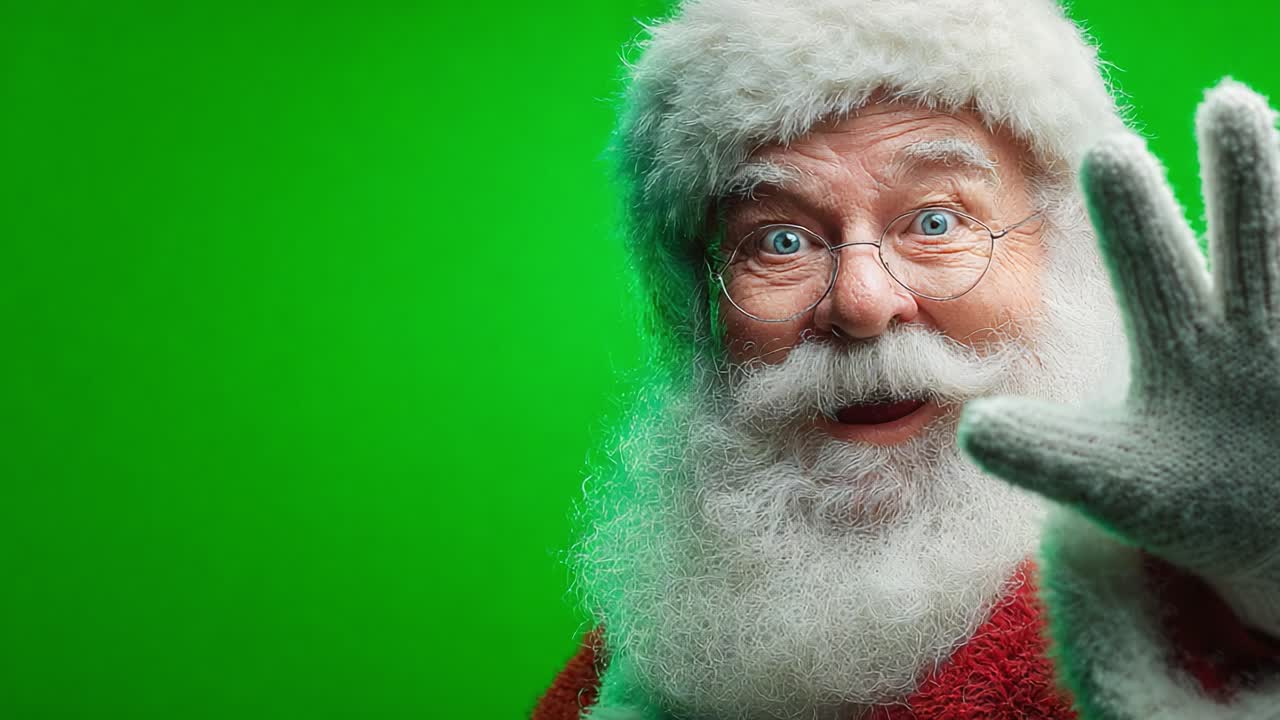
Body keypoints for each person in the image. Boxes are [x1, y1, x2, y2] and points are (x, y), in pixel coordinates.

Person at [534, 1, 1280, 717]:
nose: (861, 303)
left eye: (935, 222)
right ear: (697, 311)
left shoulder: (1190, 614)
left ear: (1065, 254)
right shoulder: (646, 658)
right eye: (779, 242)